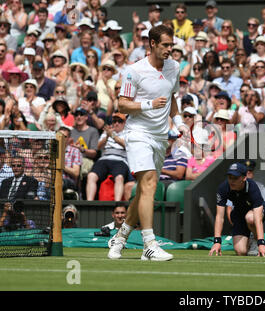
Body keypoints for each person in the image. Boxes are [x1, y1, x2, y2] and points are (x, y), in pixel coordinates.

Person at [107, 25, 185, 262]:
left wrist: (179, 123)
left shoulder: (174, 66)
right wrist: (149, 104)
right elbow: (122, 105)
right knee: (150, 183)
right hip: (138, 133)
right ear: (152, 44)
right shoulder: (134, 71)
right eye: (165, 45)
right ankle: (149, 245)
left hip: (160, 137)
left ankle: (119, 238)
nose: (169, 50)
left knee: (143, 191)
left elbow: (171, 98)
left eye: (171, 45)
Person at [209, 162, 265, 257]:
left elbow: (257, 218)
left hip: (256, 212)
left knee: (250, 218)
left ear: (244, 178)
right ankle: (249, 242)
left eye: (235, 178)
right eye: (230, 177)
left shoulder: (252, 187)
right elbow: (220, 216)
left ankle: (254, 240)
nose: (232, 181)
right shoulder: (223, 188)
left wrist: (261, 243)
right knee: (241, 251)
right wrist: (217, 241)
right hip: (239, 213)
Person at [86, 112, 134, 202]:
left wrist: (113, 136)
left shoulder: (128, 133)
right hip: (104, 158)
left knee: (119, 177)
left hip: (120, 160)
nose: (116, 123)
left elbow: (126, 146)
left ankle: (117, 204)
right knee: (91, 176)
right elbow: (98, 147)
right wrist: (107, 136)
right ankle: (89, 202)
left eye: (120, 121)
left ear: (124, 123)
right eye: (114, 121)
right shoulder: (106, 132)